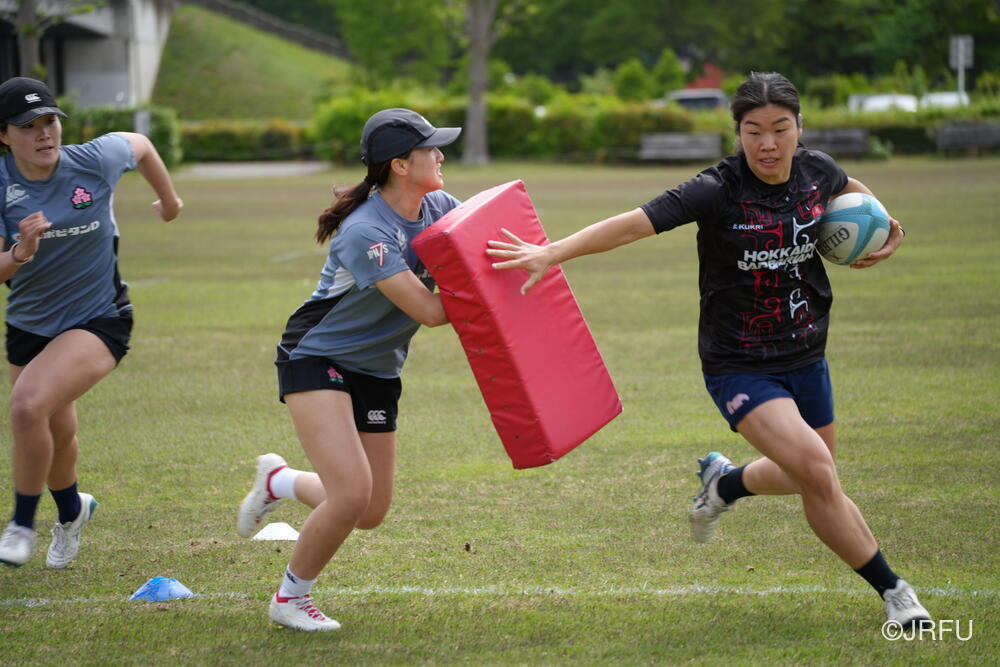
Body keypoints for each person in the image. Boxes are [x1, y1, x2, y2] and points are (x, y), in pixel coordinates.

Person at [487, 72, 931, 629]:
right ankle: (895, 592)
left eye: (780, 129)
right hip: (739, 362)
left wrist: (885, 226)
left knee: (806, 473)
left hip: (806, 352)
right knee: (819, 473)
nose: (767, 144)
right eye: (753, 131)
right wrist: (552, 252)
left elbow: (849, 191)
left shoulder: (817, 170)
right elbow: (632, 225)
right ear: (737, 133)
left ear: (799, 127)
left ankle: (724, 483)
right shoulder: (717, 188)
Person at [236, 108, 461, 632]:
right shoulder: (365, 231)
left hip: (378, 368)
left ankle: (280, 481)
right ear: (400, 165)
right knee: (352, 493)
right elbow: (431, 312)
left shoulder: (441, 206)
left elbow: (483, 242)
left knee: (370, 509)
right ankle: (290, 599)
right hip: (317, 356)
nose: (440, 156)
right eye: (430, 149)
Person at [0, 77, 183, 568]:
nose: (44, 133)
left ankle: (21, 524)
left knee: (26, 407)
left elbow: (141, 145)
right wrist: (20, 252)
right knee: (55, 432)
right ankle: (71, 512)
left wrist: (169, 201)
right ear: (4, 135)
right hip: (30, 324)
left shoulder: (93, 160)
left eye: (50, 121)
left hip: (99, 318)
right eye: (28, 126)